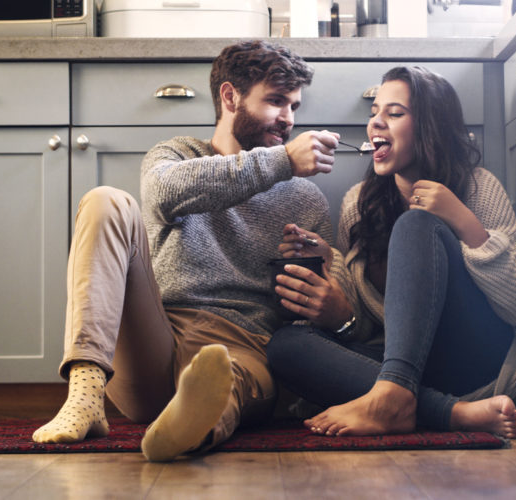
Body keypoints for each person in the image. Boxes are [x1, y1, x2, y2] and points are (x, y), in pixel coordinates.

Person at [31, 40, 342, 462]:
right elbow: (160, 194)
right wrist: (282, 160)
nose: (288, 119)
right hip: (156, 339)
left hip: (245, 346)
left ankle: (187, 429)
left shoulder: (306, 199)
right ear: (230, 97)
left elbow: (311, 323)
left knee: (224, 378)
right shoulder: (176, 155)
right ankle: (85, 395)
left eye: (294, 106)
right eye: (275, 101)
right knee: (106, 200)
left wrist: (318, 272)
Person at [266, 66, 516, 438]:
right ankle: (450, 413)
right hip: (413, 369)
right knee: (286, 346)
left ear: (430, 126)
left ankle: (398, 396)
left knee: (415, 224)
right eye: (374, 113)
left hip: (476, 358)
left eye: (394, 114)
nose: (376, 124)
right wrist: (331, 264)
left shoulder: (479, 187)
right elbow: (364, 327)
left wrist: (463, 221)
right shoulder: (359, 204)